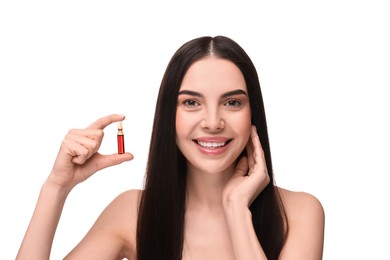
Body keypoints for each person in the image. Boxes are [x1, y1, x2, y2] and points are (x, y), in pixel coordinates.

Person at [17, 35, 325, 260]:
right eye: (191, 102)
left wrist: (237, 211)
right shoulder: (133, 213)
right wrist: (56, 187)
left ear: (252, 114)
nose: (213, 122)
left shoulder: (300, 213)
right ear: (170, 116)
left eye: (232, 102)